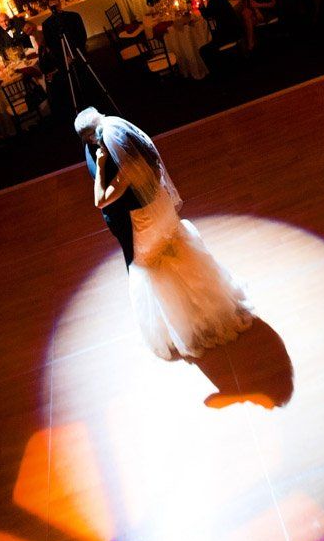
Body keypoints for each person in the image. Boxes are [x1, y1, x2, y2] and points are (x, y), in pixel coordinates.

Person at [74, 107, 253, 360]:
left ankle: (184, 323)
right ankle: (209, 305)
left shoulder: (124, 172)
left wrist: (102, 166)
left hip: (145, 219)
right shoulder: (124, 132)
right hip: (161, 204)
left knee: (155, 267)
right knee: (179, 249)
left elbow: (100, 200)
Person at [40, 0, 89, 114]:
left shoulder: (74, 17)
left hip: (78, 53)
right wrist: (64, 57)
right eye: (52, 7)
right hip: (62, 59)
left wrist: (74, 54)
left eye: (56, 5)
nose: (55, 9)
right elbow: (51, 45)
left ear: (60, 4)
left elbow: (82, 36)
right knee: (68, 82)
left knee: (85, 79)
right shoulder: (46, 25)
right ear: (48, 8)